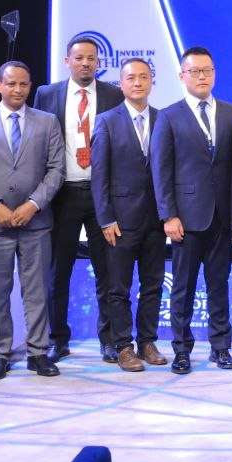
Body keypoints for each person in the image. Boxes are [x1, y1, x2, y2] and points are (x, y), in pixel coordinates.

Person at [152, 46, 232, 375]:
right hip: (185, 219)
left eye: (207, 71)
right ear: (182, 76)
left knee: (219, 285)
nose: (202, 76)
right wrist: (168, 215)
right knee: (183, 287)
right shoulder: (168, 116)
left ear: (214, 74)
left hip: (222, 217)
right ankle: (181, 349)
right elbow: (161, 170)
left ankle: (221, 347)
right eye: (194, 71)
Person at [34, 36, 124, 364]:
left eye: (91, 58)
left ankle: (109, 340)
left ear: (99, 62)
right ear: (67, 61)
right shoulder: (46, 94)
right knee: (58, 272)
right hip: (62, 194)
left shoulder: (114, 95)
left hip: (103, 196)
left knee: (107, 271)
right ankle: (57, 339)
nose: (86, 63)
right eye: (79, 58)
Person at [0, 61, 65, 380]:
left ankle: (38, 352)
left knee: (37, 290)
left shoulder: (47, 121)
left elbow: (57, 169)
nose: (18, 89)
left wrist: (33, 204)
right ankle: (0, 353)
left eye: (24, 84)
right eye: (11, 84)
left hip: (36, 222)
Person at [90, 58, 166, 372]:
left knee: (153, 285)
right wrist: (106, 219)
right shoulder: (107, 121)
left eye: (143, 77)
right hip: (119, 222)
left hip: (156, 220)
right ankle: (123, 346)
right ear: (121, 84)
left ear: (151, 82)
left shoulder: (164, 119)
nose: (137, 83)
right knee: (118, 288)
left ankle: (148, 341)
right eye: (131, 78)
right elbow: (99, 176)